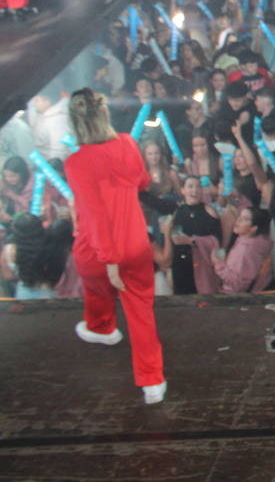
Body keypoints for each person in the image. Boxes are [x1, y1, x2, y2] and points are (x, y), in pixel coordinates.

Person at [63, 88, 167, 405]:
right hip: (134, 245)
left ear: (75, 123)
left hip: (96, 251)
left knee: (96, 285)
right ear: (105, 113)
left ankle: (102, 327)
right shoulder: (126, 143)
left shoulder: (76, 163)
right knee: (140, 313)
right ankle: (152, 382)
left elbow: (94, 214)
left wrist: (109, 261)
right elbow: (142, 181)